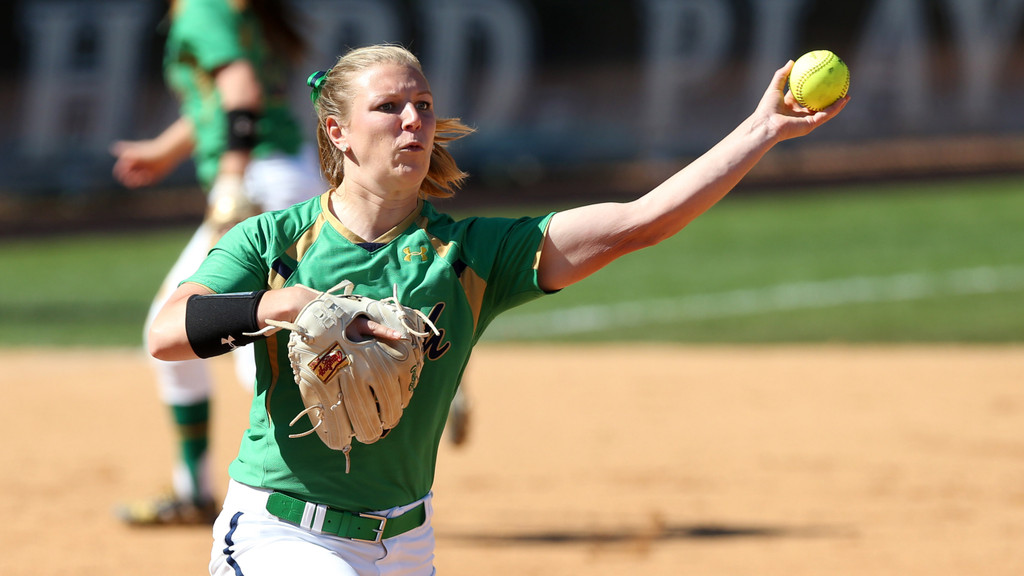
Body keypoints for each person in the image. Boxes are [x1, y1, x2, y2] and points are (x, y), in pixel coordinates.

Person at [146, 44, 848, 574]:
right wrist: (284, 303)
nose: (414, 119)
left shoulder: (470, 255)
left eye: (421, 104)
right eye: (389, 107)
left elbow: (639, 222)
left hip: (406, 543)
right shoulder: (274, 239)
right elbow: (167, 331)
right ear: (337, 133)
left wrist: (762, 130)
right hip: (281, 535)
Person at [110, 0, 323, 525]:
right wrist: (165, 149)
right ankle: (199, 490)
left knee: (192, 332)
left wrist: (230, 178)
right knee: (255, 335)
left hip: (257, 185)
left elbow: (243, 92)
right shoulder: (233, 9)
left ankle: (284, 490)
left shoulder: (203, 8)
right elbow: (218, 100)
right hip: (283, 176)